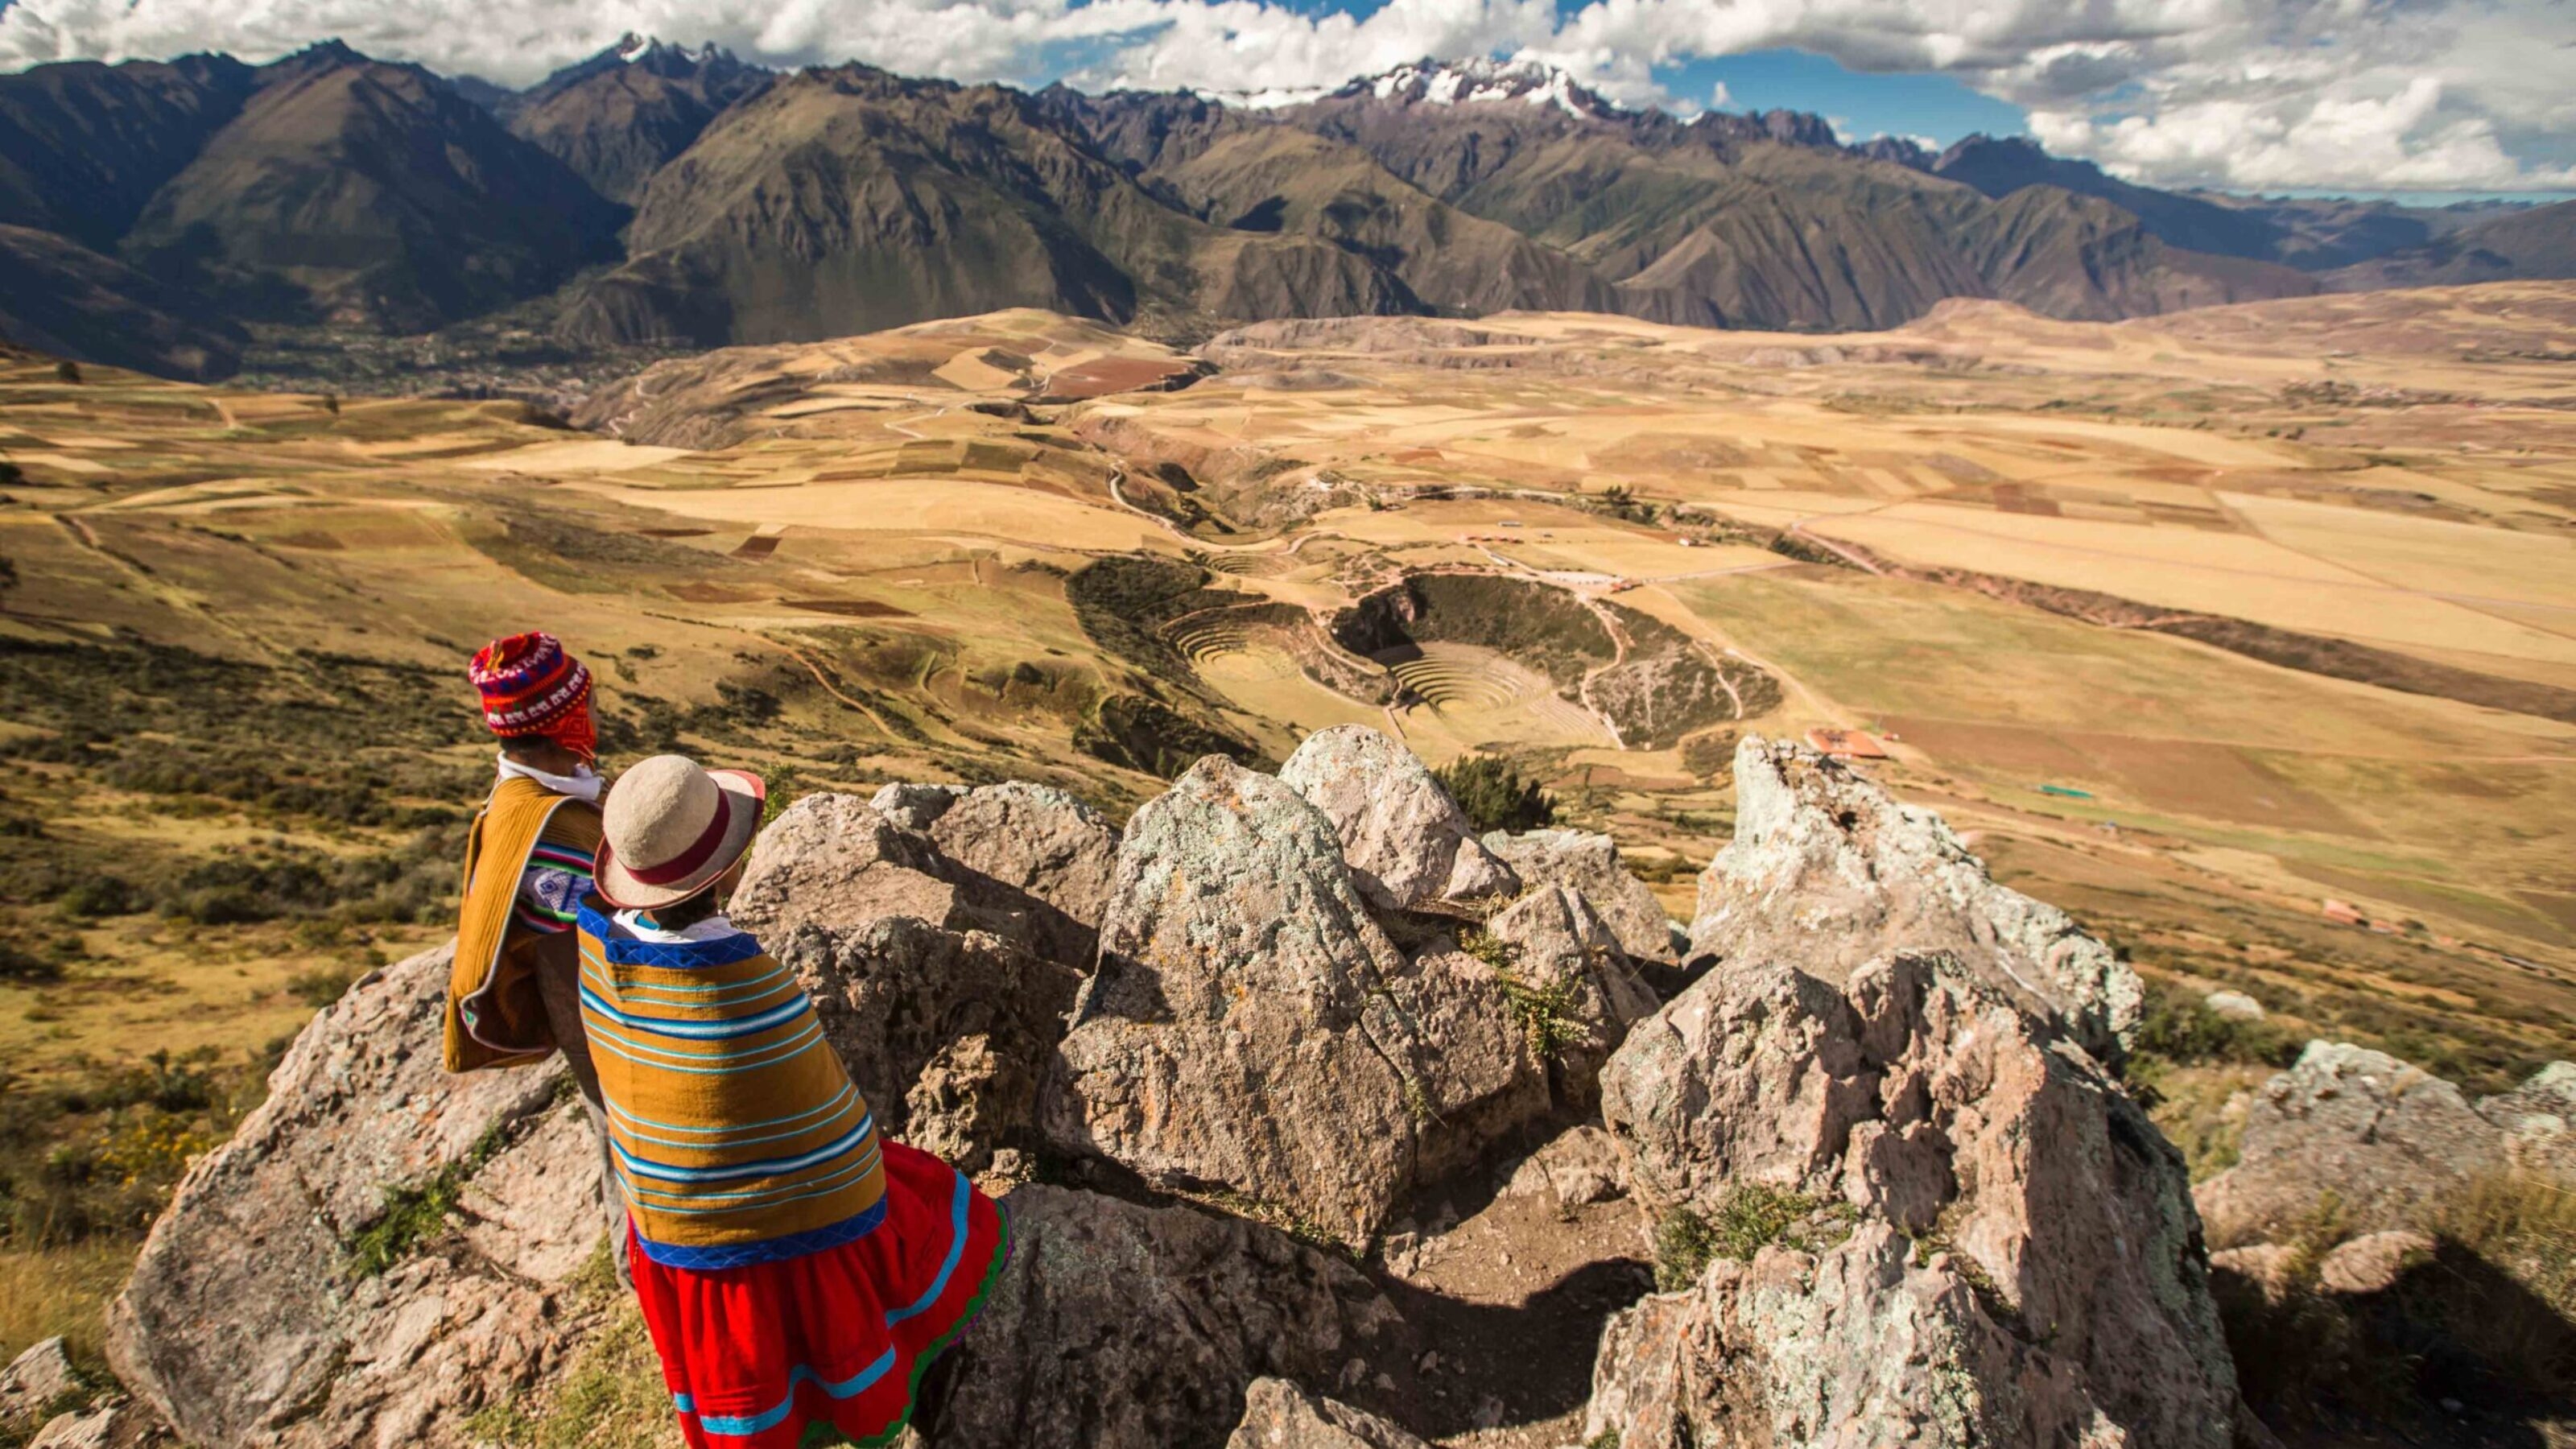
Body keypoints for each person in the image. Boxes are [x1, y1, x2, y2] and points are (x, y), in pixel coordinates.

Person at [579, 754, 1007, 1448]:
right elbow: (832, 1135)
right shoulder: (744, 986)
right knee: (919, 1195)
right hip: (783, 1238)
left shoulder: (600, 954)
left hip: (668, 1226)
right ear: (728, 866)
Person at [444, 631, 627, 1271]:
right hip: (605, 1024)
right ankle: (645, 1275)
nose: (599, 714)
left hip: (596, 1017)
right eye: (588, 703)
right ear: (564, 721)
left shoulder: (536, 800)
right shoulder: (547, 828)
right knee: (629, 1151)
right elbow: (615, 917)